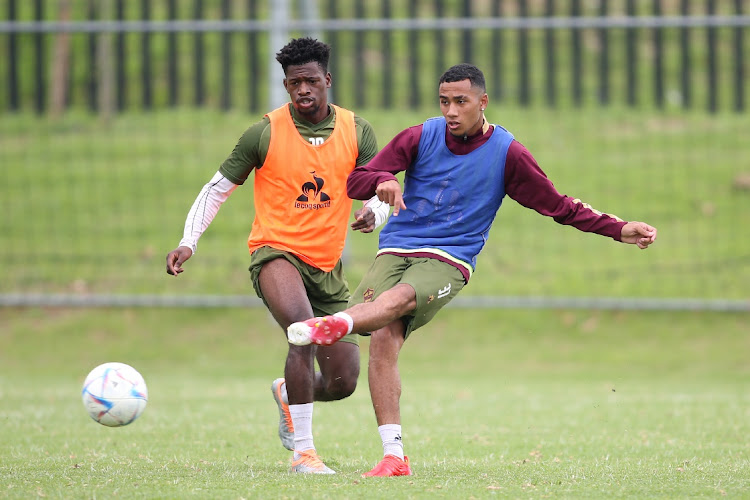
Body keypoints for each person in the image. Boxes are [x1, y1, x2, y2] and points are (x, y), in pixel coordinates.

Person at [286, 63, 658, 477]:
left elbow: (558, 205)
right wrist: (383, 181)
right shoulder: (420, 135)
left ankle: (333, 324)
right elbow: (357, 179)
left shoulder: (507, 153)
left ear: (483, 102)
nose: (451, 110)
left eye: (461, 101)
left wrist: (618, 229)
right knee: (385, 339)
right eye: (444, 101)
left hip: (450, 258)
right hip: (395, 250)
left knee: (401, 300)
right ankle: (394, 457)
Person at [165, 37, 388, 475]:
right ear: (286, 86)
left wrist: (374, 212)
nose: (303, 89)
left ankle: (288, 393)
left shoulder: (358, 130)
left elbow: (382, 184)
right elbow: (217, 189)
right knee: (301, 332)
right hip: (275, 253)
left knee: (343, 381)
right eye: (293, 83)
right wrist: (188, 240)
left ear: (328, 79)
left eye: (310, 80)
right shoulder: (263, 133)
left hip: (327, 267)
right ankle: (304, 454)